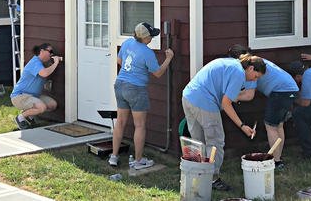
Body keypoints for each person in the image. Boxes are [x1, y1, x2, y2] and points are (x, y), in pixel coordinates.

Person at [181, 45, 262, 191]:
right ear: (250, 69)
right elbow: (226, 103)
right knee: (216, 142)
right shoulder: (238, 73)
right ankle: (213, 179)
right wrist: (242, 126)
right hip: (204, 102)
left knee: (199, 142)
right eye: (256, 76)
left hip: (188, 96)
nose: (254, 80)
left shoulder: (230, 64)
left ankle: (198, 176)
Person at [109, 22, 173, 170]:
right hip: (136, 89)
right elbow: (157, 73)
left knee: (120, 122)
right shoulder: (147, 52)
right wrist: (168, 58)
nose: (152, 38)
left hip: (120, 84)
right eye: (151, 36)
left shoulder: (127, 43)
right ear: (145, 38)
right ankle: (138, 161)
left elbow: (119, 61)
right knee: (140, 125)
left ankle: (114, 156)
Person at [240, 53, 299, 170]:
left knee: (271, 127)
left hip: (280, 92)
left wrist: (230, 97)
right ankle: (278, 159)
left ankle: (276, 161)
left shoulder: (249, 69)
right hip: (292, 89)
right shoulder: (259, 62)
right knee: (279, 125)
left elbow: (248, 95)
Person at [10, 43, 61, 130]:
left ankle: (29, 116)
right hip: (20, 96)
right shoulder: (35, 62)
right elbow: (44, 73)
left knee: (52, 105)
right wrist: (56, 63)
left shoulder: (41, 64)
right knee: (42, 107)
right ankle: (20, 118)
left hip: (33, 96)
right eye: (50, 51)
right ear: (42, 51)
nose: (51, 54)